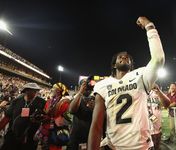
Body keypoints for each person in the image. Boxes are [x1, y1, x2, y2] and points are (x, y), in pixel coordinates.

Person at [88, 16, 165, 150]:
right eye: (120, 57)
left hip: (141, 146)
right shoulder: (102, 85)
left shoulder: (141, 75)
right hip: (113, 146)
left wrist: (149, 26)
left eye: (127, 57)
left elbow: (158, 59)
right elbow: (96, 125)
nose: (124, 56)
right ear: (114, 65)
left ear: (131, 65)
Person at [0, 82, 46, 150]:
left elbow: (45, 117)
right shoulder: (17, 101)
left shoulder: (42, 102)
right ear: (25, 90)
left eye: (35, 90)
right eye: (29, 90)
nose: (33, 92)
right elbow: (7, 116)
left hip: (29, 137)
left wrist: (39, 119)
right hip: (13, 134)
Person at [34, 82, 71, 150]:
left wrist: (54, 119)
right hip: (45, 129)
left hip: (56, 131)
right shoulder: (48, 101)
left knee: (54, 147)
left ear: (58, 91)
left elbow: (68, 118)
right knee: (44, 147)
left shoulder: (64, 102)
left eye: (53, 88)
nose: (51, 90)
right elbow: (45, 112)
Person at [67, 78, 95, 150]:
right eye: (85, 85)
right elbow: (71, 110)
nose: (87, 88)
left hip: (90, 137)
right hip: (76, 138)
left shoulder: (95, 99)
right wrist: (80, 92)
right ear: (80, 87)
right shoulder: (76, 98)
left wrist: (94, 108)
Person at [147, 84, 170, 149]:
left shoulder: (156, 92)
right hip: (144, 123)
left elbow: (167, 104)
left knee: (157, 140)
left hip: (156, 122)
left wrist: (159, 91)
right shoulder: (140, 92)